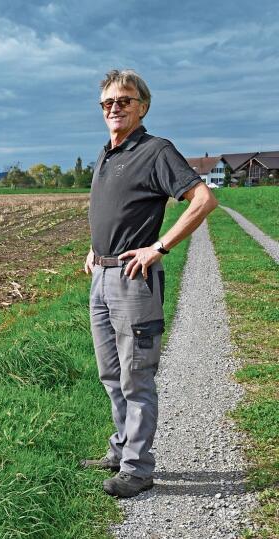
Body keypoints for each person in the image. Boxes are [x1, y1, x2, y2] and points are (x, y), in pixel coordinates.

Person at [81, 69, 218, 498]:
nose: (114, 108)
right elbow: (116, 211)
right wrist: (95, 248)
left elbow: (204, 199)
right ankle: (122, 449)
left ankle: (138, 469)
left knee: (136, 376)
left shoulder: (156, 151)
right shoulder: (106, 154)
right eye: (107, 103)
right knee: (110, 373)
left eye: (123, 101)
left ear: (143, 106)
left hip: (134, 280)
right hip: (101, 276)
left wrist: (158, 247)